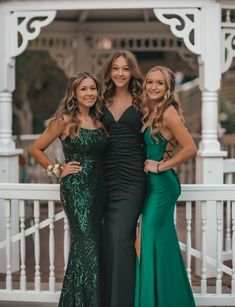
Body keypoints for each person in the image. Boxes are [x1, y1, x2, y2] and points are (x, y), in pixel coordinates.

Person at [29, 72, 108, 307]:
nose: (89, 93)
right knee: (87, 249)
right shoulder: (64, 120)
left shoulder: (100, 120)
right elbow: (35, 149)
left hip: (99, 189)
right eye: (83, 89)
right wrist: (57, 169)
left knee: (89, 249)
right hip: (77, 190)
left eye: (92, 88)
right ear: (74, 93)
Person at [134, 66, 197, 307]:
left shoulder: (169, 112)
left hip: (162, 186)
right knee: (155, 242)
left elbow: (191, 148)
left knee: (144, 241)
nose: (153, 87)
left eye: (159, 83)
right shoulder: (151, 111)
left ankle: (152, 300)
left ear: (168, 87)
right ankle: (170, 299)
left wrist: (162, 166)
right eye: (150, 82)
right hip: (152, 186)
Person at [101, 50, 147, 307]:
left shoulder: (142, 101)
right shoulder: (98, 100)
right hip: (104, 177)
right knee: (109, 239)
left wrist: (164, 159)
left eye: (125, 68)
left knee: (121, 238)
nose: (120, 73)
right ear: (109, 71)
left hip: (132, 180)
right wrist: (58, 168)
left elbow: (162, 132)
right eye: (116, 68)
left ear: (132, 72)